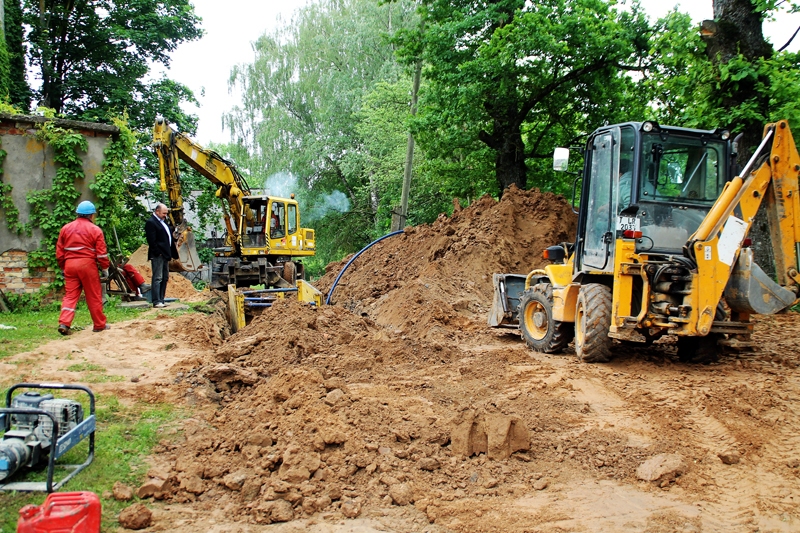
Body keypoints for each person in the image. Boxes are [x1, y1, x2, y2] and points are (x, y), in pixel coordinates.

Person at [56, 200, 110, 335]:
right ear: (91, 215)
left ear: (78, 214)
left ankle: (64, 323)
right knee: (93, 295)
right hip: (87, 265)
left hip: (69, 265)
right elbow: (101, 253)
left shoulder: (65, 228)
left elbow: (60, 252)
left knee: (70, 295)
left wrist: (63, 267)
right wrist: (105, 268)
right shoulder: (95, 230)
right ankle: (99, 324)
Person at [144, 203, 179, 308]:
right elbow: (152, 240)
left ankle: (161, 299)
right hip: (158, 254)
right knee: (158, 277)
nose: (165, 215)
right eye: (164, 213)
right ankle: (156, 300)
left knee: (165, 277)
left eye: (166, 213)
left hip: (165, 254)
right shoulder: (151, 222)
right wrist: (158, 252)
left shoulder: (163, 222)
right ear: (157, 211)